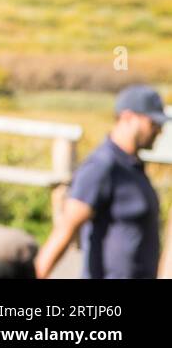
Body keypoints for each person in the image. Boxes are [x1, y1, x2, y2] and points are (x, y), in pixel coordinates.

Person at [34, 84, 166, 279]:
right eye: (153, 123)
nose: (159, 131)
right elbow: (65, 229)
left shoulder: (133, 166)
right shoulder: (102, 166)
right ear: (128, 117)